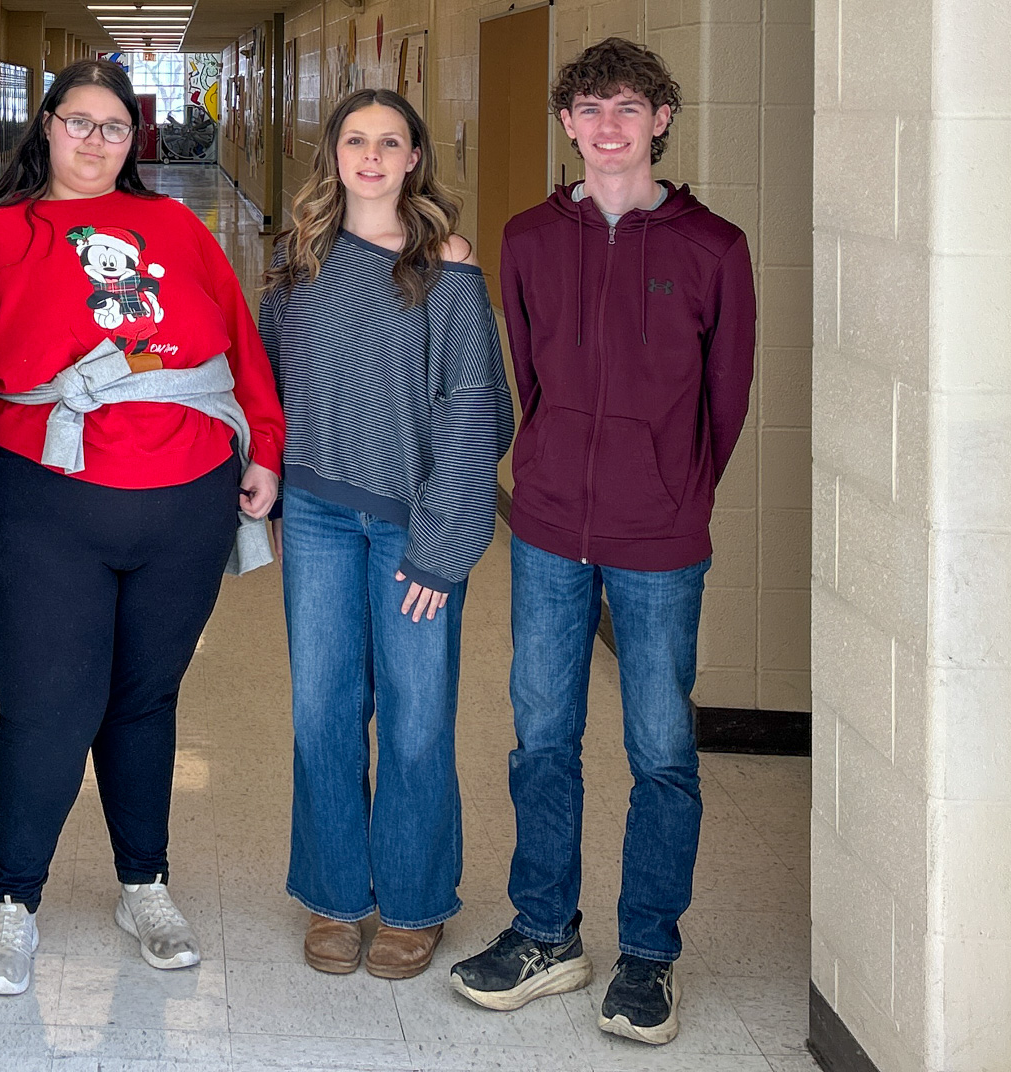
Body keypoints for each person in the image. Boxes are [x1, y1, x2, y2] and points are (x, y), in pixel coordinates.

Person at [0, 58, 285, 997]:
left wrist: (265, 449)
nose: (95, 140)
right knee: (49, 708)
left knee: (145, 699)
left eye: (114, 127)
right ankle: (14, 902)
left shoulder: (175, 225)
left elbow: (238, 344)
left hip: (186, 498)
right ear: (44, 126)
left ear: (134, 139)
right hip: (40, 500)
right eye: (78, 122)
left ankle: (145, 882)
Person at [447, 38, 756, 1046]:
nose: (606, 125)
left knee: (661, 751)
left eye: (627, 106)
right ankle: (545, 934)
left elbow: (725, 402)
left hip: (658, 535)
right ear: (567, 123)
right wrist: (553, 475)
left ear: (659, 119)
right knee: (541, 739)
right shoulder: (528, 237)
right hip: (542, 529)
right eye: (586, 108)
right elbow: (530, 378)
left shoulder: (713, 247)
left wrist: (668, 493)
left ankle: (648, 956)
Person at [258, 89, 512, 981]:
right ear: (333, 154)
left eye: (389, 142)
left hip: (415, 527)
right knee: (323, 711)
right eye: (355, 140)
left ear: (413, 158)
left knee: (414, 720)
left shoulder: (446, 265)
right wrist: (277, 497)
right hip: (320, 517)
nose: (370, 156)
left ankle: (413, 901)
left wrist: (443, 549)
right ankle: (334, 895)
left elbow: (478, 414)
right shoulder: (296, 263)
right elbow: (271, 391)